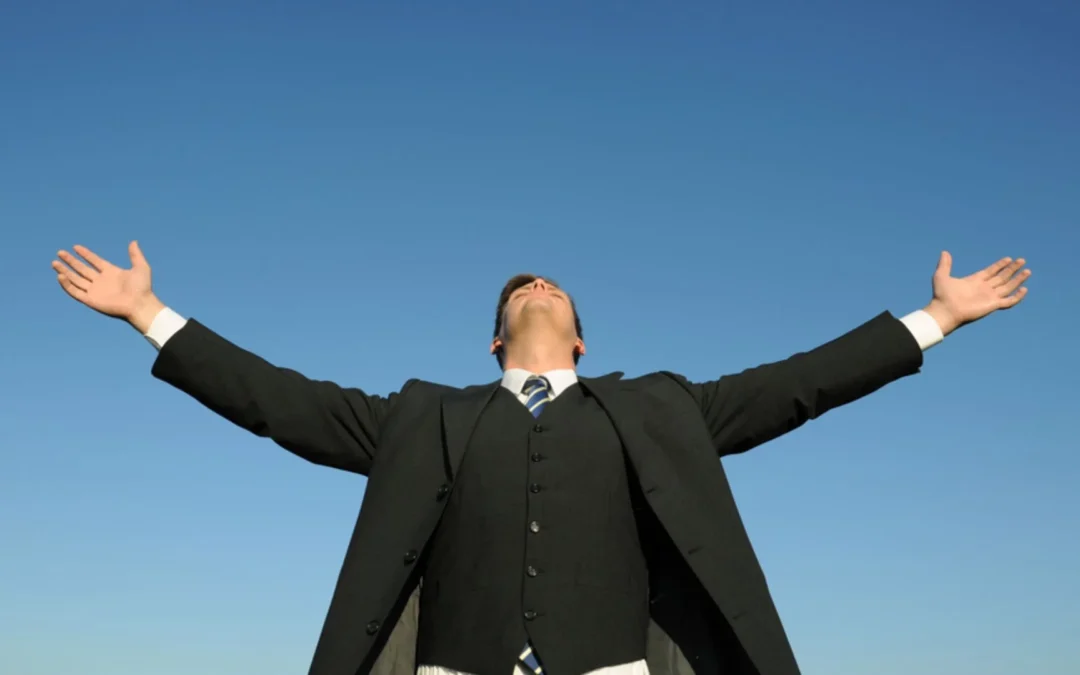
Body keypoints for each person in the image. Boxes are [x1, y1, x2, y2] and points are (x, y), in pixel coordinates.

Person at [52, 241, 1029, 675]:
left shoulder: (663, 409)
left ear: (581, 340)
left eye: (553, 286)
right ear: (493, 342)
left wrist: (937, 317)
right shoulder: (420, 417)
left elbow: (800, 382)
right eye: (520, 288)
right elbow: (278, 401)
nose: (537, 285)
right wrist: (148, 314)